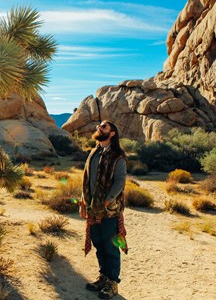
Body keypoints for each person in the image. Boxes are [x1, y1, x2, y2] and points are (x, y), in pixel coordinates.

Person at [79, 120, 127, 299]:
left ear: (112, 133)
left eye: (104, 126)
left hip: (109, 210)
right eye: (99, 126)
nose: (99, 128)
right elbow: (86, 178)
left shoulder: (118, 156)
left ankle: (112, 283)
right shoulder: (94, 153)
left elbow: (120, 181)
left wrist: (107, 201)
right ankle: (103, 277)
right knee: (99, 243)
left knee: (111, 246)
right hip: (92, 208)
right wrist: (83, 202)